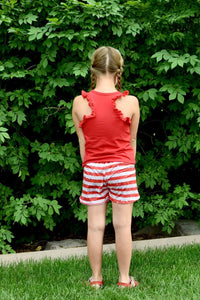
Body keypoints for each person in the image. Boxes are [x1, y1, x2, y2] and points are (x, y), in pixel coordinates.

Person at [72, 46, 140, 289]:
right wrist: (126, 166)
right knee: (123, 226)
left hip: (93, 169)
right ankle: (124, 279)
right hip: (122, 168)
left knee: (95, 225)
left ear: (93, 67)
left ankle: (96, 279)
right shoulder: (131, 102)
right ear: (118, 69)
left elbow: (83, 142)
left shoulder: (80, 102)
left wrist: (89, 165)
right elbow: (132, 141)